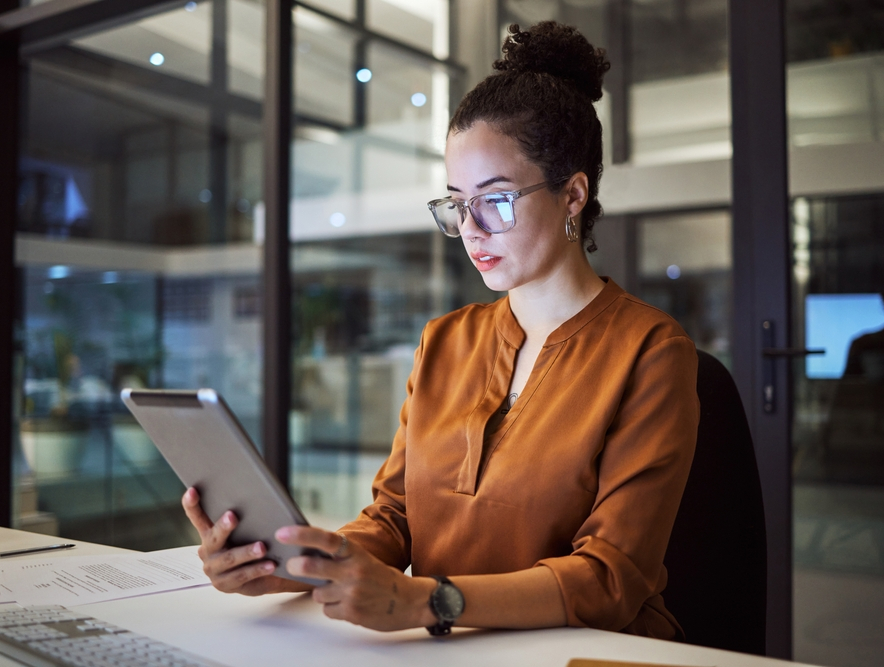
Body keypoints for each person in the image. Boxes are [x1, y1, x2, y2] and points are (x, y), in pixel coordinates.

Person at [182, 22, 700, 639]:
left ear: (573, 195)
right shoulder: (445, 342)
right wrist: (284, 566)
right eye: (457, 202)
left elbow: (610, 577)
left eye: (497, 199)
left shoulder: (651, 351)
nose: (473, 228)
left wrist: (427, 603)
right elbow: (396, 519)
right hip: (448, 648)